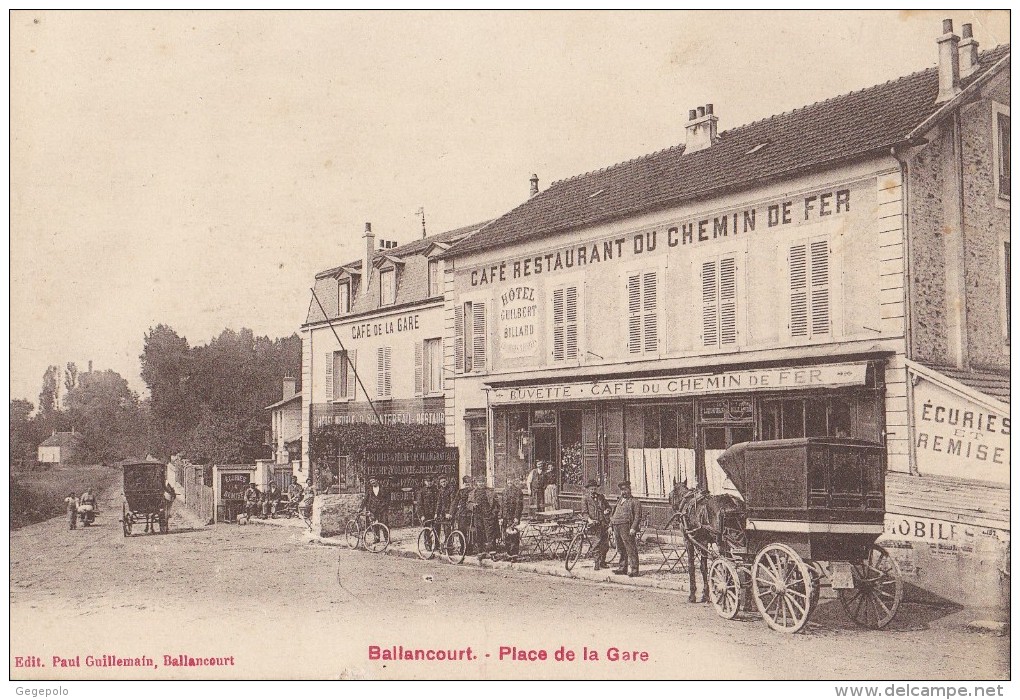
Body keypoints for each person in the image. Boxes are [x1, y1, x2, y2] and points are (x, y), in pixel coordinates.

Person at [610, 480, 643, 578]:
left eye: (625, 489)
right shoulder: (619, 501)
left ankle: (634, 570)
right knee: (620, 548)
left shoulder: (635, 502)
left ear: (630, 490)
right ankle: (622, 568)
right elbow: (613, 513)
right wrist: (610, 525)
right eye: (622, 490)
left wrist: (633, 528)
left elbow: (637, 517)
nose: (623, 492)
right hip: (616, 526)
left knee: (630, 548)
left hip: (627, 527)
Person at [582, 479, 612, 570]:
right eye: (591, 489)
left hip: (603, 523)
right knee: (596, 543)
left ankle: (603, 561)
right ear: (588, 489)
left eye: (594, 489)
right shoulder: (585, 499)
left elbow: (608, 507)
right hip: (594, 524)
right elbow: (584, 513)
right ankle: (596, 563)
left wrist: (607, 510)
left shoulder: (601, 497)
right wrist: (589, 520)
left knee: (605, 545)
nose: (593, 491)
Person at [467, 477, 493, 559]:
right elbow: (468, 504)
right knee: (479, 533)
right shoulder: (472, 492)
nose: (481, 484)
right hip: (477, 515)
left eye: (482, 482)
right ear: (476, 483)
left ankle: (491, 552)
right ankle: (480, 551)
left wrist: (493, 514)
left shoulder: (490, 491)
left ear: (485, 483)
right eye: (479, 482)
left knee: (489, 533)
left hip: (488, 515)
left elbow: (495, 504)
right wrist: (472, 506)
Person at [500, 474, 524, 558]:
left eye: (511, 480)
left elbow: (519, 506)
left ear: (514, 481)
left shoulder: (518, 491)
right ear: (506, 481)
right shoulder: (504, 491)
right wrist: (501, 517)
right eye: (508, 480)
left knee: (514, 535)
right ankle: (508, 553)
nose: (509, 482)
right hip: (506, 517)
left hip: (514, 517)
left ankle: (514, 554)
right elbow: (502, 505)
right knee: (506, 535)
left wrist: (517, 517)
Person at [436, 475, 457, 545]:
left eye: (444, 481)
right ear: (440, 483)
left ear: (447, 481)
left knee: (448, 530)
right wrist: (436, 513)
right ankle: (446, 545)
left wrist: (450, 513)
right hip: (443, 513)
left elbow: (453, 502)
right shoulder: (440, 491)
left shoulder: (451, 489)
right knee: (445, 530)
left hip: (449, 513)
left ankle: (449, 547)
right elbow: (439, 503)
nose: (443, 483)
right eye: (441, 482)